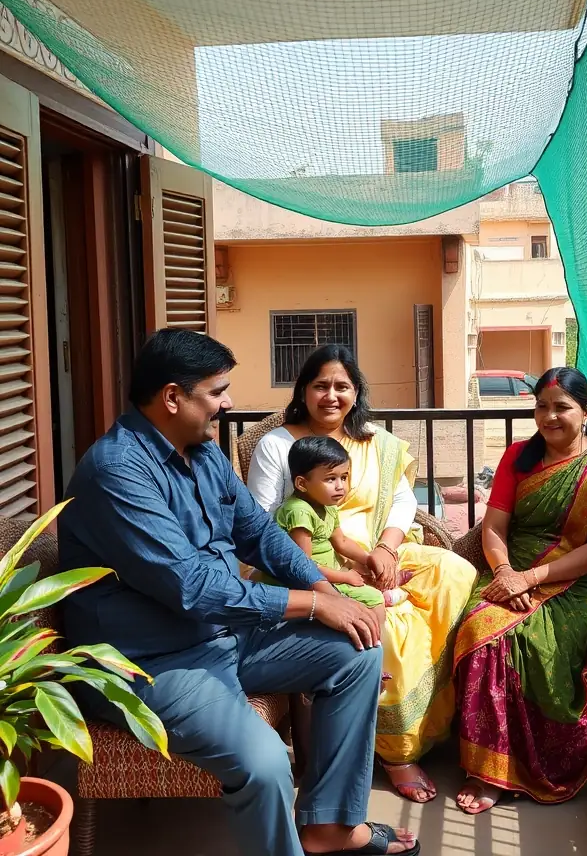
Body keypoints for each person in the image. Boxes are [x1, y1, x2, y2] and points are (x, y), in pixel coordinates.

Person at [58, 329, 419, 856]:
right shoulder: (117, 471)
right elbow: (193, 587)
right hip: (151, 662)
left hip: (224, 634)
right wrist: (317, 603)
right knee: (268, 761)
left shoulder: (201, 452)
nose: (228, 403)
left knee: (356, 652)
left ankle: (328, 826)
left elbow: (260, 533)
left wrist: (324, 589)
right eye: (218, 391)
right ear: (173, 398)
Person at [248, 345, 478, 804]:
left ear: (356, 392)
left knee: (454, 572)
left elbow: (401, 502)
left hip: (379, 550)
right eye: (320, 385)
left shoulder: (378, 441)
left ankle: (436, 720)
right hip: (310, 565)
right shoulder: (278, 444)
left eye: (341, 386)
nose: (330, 396)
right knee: (387, 622)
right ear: (303, 391)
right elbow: (259, 517)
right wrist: (342, 573)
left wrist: (386, 550)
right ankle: (396, 751)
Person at [454, 367, 587, 814]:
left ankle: (529, 761)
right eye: (542, 406)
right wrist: (506, 571)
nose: (549, 417)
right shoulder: (518, 457)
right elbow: (493, 528)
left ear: (586, 412)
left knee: (530, 643)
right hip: (512, 565)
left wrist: (529, 580)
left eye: (562, 407)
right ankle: (485, 768)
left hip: (580, 577)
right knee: (478, 634)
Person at [274, 435, 387, 617]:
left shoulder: (326, 505)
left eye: (344, 477)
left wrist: (367, 559)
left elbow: (341, 541)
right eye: (330, 479)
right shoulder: (299, 512)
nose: (340, 486)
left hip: (327, 573)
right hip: (304, 581)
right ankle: (375, 643)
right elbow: (303, 566)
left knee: (369, 576)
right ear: (302, 483)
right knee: (374, 600)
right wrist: (345, 577)